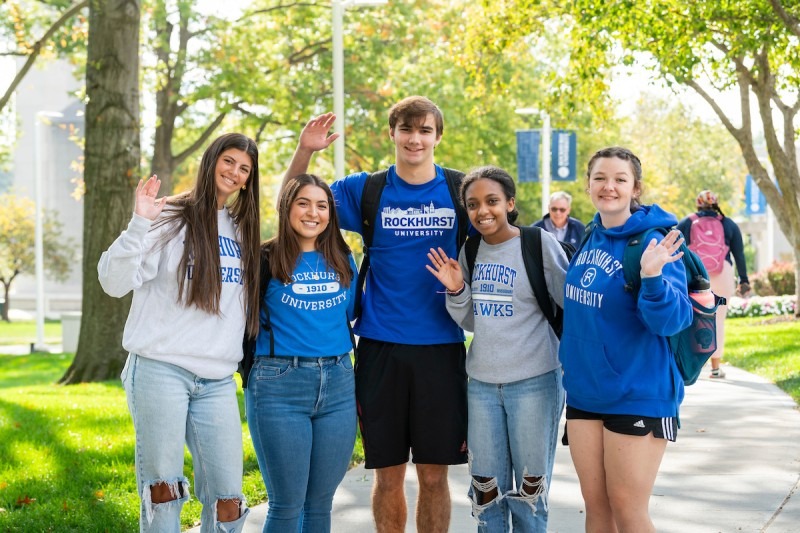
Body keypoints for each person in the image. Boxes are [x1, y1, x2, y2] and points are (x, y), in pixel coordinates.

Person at [282, 97, 468, 533]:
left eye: (425, 130)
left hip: (442, 347)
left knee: (434, 476)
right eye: (407, 129)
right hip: (381, 347)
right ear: (392, 134)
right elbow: (293, 202)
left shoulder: (460, 189)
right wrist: (305, 150)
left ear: (438, 137)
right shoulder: (366, 190)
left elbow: (499, 230)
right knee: (388, 476)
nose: (415, 139)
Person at [98, 133, 261, 532]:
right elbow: (113, 282)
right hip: (160, 370)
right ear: (211, 160)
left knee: (228, 500)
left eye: (244, 168)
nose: (235, 172)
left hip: (217, 378)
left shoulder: (241, 230)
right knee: (164, 491)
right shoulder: (169, 216)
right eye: (229, 161)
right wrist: (139, 223)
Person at [426, 166, 568, 532]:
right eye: (473, 204)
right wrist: (457, 290)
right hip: (483, 387)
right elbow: (473, 321)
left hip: (535, 382)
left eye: (492, 201)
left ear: (510, 203)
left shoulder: (538, 244)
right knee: (485, 492)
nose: (482, 211)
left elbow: (570, 306)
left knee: (529, 495)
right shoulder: (471, 249)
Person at [559, 146, 693, 533]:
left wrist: (652, 278)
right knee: (597, 509)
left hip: (638, 392)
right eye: (600, 178)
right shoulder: (590, 235)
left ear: (636, 188)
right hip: (585, 393)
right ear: (588, 185)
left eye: (620, 179)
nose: (609, 186)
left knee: (628, 511)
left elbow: (672, 321)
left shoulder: (655, 242)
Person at [245, 173, 358, 532]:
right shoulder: (264, 257)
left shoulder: (343, 258)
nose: (313, 213)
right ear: (287, 207)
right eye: (303, 203)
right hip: (279, 385)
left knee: (320, 504)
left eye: (322, 206)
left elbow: (349, 313)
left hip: (339, 384)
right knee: (287, 505)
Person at [677, 190, 750, 379]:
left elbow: (674, 248)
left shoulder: (687, 222)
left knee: (691, 318)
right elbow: (739, 255)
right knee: (718, 320)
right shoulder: (728, 224)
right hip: (723, 273)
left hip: (696, 274)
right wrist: (743, 279)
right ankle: (716, 368)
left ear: (698, 204)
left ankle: (691, 365)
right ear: (716, 204)